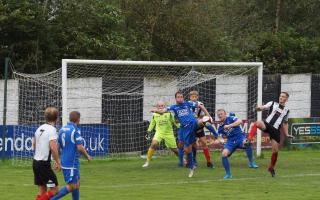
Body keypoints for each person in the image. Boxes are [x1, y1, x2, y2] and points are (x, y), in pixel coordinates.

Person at [151, 91, 211, 177]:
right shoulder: (174, 107)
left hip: (190, 126)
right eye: (178, 97)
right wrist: (155, 110)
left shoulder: (187, 104)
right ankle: (184, 162)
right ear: (175, 98)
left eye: (181, 97)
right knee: (180, 145)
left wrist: (208, 115)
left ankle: (190, 167)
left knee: (188, 149)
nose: (180, 98)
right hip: (182, 128)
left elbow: (200, 106)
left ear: (183, 98)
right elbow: (163, 111)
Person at [248, 92, 293, 177]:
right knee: (257, 123)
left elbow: (285, 123)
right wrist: (258, 108)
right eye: (280, 96)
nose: (281, 98)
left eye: (283, 97)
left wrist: (287, 134)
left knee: (275, 151)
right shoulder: (272, 103)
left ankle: (271, 167)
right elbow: (263, 107)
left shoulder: (287, 110)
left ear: (286, 99)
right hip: (267, 125)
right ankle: (249, 140)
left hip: (275, 130)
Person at [51, 111, 92, 200]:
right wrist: (87, 156)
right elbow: (80, 147)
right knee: (72, 186)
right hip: (71, 163)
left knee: (77, 183)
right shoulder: (75, 130)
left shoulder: (62, 129)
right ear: (78, 119)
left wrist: (56, 160)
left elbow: (57, 146)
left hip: (65, 161)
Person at [216, 109, 258, 179]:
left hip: (240, 138)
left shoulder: (231, 118)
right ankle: (228, 174)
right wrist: (221, 140)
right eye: (219, 115)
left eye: (221, 114)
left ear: (225, 114)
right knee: (224, 154)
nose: (220, 115)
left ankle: (251, 163)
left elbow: (240, 121)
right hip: (231, 142)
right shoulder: (220, 127)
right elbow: (219, 137)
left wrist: (229, 125)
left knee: (247, 142)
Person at [32, 107, 60, 200]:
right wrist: (57, 161)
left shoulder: (39, 128)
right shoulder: (52, 130)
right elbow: (53, 147)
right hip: (44, 164)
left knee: (42, 190)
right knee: (55, 189)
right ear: (56, 118)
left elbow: (34, 145)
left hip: (36, 162)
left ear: (45, 117)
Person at [143, 101, 179, 167]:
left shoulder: (169, 113)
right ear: (157, 107)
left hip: (168, 133)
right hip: (159, 133)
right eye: (159, 106)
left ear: (164, 107)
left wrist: (180, 127)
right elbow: (152, 123)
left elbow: (175, 122)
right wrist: (148, 131)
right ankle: (147, 161)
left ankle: (183, 160)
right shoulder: (155, 115)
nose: (160, 107)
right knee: (154, 144)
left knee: (175, 150)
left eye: (162, 106)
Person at [189, 90, 216, 168]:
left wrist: (200, 118)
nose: (193, 98)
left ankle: (209, 161)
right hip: (191, 126)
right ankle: (194, 161)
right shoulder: (187, 104)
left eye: (195, 97)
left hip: (198, 126)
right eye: (192, 97)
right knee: (193, 144)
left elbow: (202, 116)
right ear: (190, 97)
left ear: (197, 97)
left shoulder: (200, 104)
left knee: (204, 143)